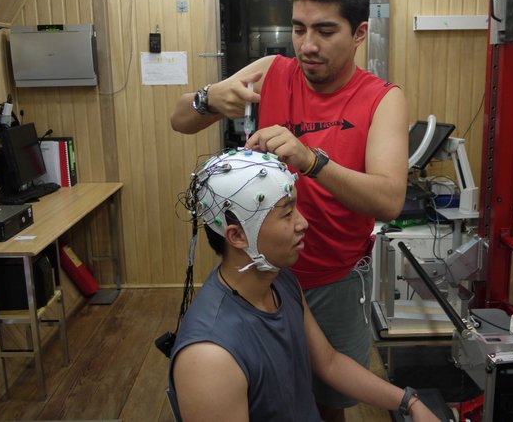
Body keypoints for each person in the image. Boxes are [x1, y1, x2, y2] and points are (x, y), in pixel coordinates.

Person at [170, 0, 408, 421]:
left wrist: (312, 160)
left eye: (324, 31)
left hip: (333, 281)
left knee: (327, 400)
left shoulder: (382, 98)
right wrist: (205, 99)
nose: (307, 45)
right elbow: (181, 120)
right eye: (299, 29)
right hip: (266, 273)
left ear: (359, 33)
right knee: (265, 393)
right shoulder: (273, 72)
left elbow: (388, 199)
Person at [168, 150, 436, 422]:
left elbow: (329, 363)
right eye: (287, 214)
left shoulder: (281, 280)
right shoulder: (209, 357)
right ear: (237, 235)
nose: (303, 223)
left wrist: (410, 403)